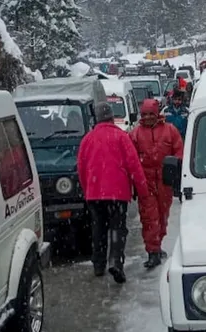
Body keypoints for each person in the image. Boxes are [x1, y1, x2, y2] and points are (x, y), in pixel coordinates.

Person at [77, 102, 157, 284]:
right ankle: (116, 262)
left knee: (98, 228)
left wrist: (87, 188)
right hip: (117, 193)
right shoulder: (121, 137)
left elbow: (81, 168)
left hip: (94, 193)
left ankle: (98, 264)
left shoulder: (87, 139)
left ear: (96, 118)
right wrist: (143, 190)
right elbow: (134, 166)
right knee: (117, 228)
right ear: (112, 117)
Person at [130, 98, 184, 269]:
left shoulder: (170, 130)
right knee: (149, 218)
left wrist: (174, 170)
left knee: (162, 216)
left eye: (150, 114)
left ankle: (157, 244)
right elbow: (130, 159)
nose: (147, 118)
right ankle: (152, 251)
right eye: (144, 115)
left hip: (165, 181)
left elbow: (179, 152)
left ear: (157, 114)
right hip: (146, 183)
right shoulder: (136, 134)